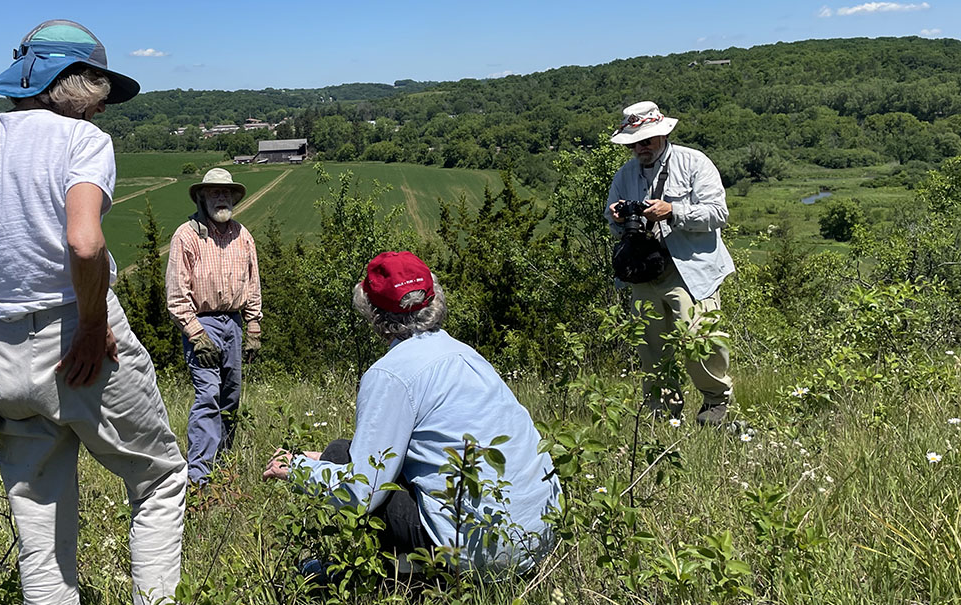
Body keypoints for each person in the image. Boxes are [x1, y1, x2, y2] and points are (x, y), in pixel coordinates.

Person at [0, 20, 186, 605]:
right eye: (98, 91)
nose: (100, 106)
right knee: (158, 478)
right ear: (76, 85)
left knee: (36, 508)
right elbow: (86, 245)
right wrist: (94, 329)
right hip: (79, 332)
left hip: (3, 349)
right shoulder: (80, 141)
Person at [262, 252, 559, 573]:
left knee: (339, 454)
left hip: (480, 552)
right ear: (435, 300)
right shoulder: (466, 355)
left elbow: (363, 490)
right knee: (337, 456)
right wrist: (312, 458)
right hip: (536, 534)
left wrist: (296, 470)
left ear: (373, 314)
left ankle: (385, 575)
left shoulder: (390, 374)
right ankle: (404, 569)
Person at [604, 101, 736, 426]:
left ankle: (716, 405)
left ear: (662, 135)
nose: (640, 148)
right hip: (644, 271)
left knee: (699, 340)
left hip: (691, 269)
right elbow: (612, 222)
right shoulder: (625, 175)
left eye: (646, 140)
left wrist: (673, 212)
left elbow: (719, 214)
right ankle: (663, 416)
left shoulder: (694, 163)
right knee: (650, 349)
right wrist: (619, 219)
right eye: (634, 143)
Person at [165, 168, 262, 487]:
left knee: (230, 396)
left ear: (234, 198)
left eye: (227, 193)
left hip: (233, 323)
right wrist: (195, 334)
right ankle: (200, 476)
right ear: (202, 197)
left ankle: (224, 465)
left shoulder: (242, 235)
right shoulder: (186, 236)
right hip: (201, 323)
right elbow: (177, 295)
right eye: (215, 192)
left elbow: (253, 284)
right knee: (208, 395)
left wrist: (253, 327)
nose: (222, 198)